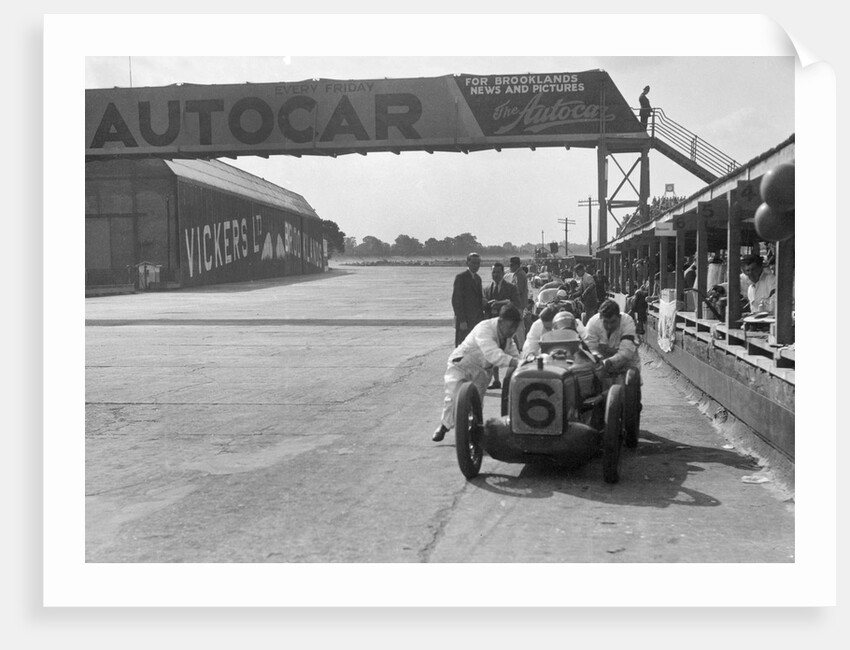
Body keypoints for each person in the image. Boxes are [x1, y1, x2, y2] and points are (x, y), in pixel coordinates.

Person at [432, 304, 523, 442]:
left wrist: (524, 361)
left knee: (476, 404)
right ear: (500, 321)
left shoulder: (507, 337)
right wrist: (516, 363)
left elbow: (513, 352)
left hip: (482, 372)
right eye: (510, 326)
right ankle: (444, 426)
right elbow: (493, 354)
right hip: (462, 365)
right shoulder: (484, 328)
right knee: (453, 396)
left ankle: (472, 433)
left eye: (515, 327)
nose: (512, 331)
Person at [483, 261, 521, 388]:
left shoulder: (511, 288)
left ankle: (516, 377)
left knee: (513, 351)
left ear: (503, 273)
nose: (495, 274)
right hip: (494, 326)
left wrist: (499, 303)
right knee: (493, 352)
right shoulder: (487, 289)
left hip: (509, 327)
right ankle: (496, 380)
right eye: (493, 272)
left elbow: (516, 303)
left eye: (498, 272)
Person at [583, 299, 641, 373]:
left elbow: (627, 351)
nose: (609, 326)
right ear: (600, 317)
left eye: (613, 322)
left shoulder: (627, 321)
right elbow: (590, 348)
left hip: (627, 365)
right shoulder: (593, 323)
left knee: (631, 378)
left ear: (619, 317)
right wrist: (597, 357)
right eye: (606, 322)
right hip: (600, 367)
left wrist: (609, 361)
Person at [451, 252, 485, 346]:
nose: (476, 266)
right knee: (462, 346)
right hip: (465, 320)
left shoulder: (478, 278)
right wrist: (461, 320)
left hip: (476, 319)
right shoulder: (461, 278)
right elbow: (456, 300)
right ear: (467, 263)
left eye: (478, 263)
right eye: (473, 263)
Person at [505, 256, 529, 349]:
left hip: (519, 304)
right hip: (518, 304)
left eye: (511, 265)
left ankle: (522, 348)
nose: (510, 267)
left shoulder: (520, 275)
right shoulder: (517, 274)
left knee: (519, 329)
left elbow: (518, 290)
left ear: (516, 265)